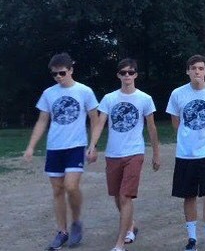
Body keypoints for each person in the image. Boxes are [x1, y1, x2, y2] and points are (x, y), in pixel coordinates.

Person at [23, 52, 99, 250]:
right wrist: (31, 146)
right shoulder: (49, 93)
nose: (58, 77)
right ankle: (62, 231)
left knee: (71, 186)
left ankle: (76, 223)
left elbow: (95, 119)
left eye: (62, 73)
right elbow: (42, 120)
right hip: (54, 147)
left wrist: (93, 145)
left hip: (75, 146)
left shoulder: (85, 91)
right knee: (57, 190)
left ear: (71, 70)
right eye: (55, 74)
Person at [86, 58, 161, 251]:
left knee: (125, 196)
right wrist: (92, 145)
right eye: (123, 72)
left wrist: (156, 154)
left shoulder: (145, 99)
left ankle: (120, 244)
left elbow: (151, 128)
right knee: (117, 197)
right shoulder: (110, 98)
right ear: (118, 75)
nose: (127, 75)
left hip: (134, 152)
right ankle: (131, 226)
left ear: (136, 74)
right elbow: (100, 123)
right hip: (113, 154)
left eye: (131, 72)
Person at [166, 55, 205, 251]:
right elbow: (176, 122)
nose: (197, 72)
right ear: (188, 71)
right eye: (193, 68)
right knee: (188, 196)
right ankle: (192, 239)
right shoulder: (178, 94)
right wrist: (188, 138)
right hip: (186, 154)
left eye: (201, 68)